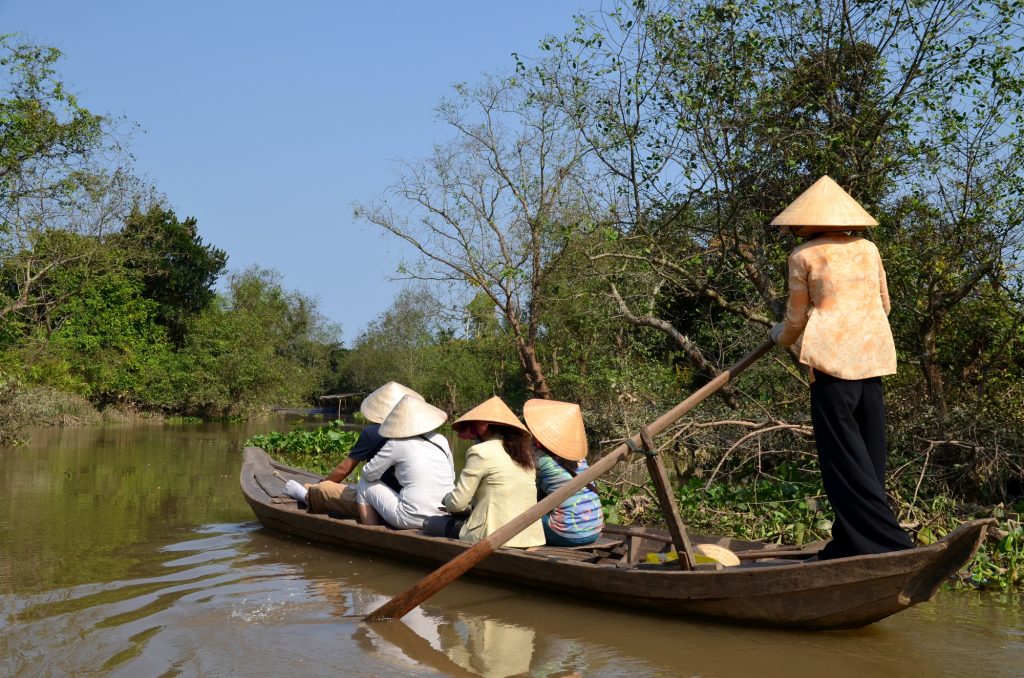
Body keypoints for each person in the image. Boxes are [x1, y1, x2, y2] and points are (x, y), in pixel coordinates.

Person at [769, 175, 914, 560]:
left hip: (830, 367)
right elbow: (885, 305)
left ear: (805, 222)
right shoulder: (869, 249)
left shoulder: (803, 256)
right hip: (872, 361)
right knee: (869, 456)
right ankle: (850, 543)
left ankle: (887, 544)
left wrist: (777, 336)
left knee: (843, 461)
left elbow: (795, 320)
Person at [283, 381, 422, 523]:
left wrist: (323, 484)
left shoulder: (374, 432)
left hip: (384, 504)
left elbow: (344, 470)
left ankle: (308, 496)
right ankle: (311, 490)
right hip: (413, 499)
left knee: (322, 489)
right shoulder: (421, 435)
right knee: (321, 486)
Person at [422, 396, 545, 547]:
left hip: (493, 535)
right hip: (528, 536)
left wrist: (447, 499)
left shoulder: (480, 451)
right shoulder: (525, 455)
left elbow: (456, 504)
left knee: (429, 523)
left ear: (483, 426)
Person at [357, 394, 455, 529]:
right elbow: (452, 476)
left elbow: (368, 474)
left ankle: (371, 533)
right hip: (445, 515)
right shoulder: (441, 440)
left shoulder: (396, 443)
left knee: (363, 483)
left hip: (411, 518)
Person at [522, 399, 603, 547]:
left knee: (519, 513)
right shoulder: (579, 458)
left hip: (565, 534)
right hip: (595, 529)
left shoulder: (539, 457)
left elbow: (530, 493)